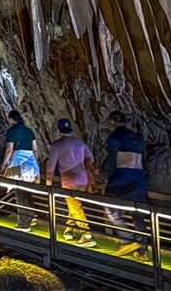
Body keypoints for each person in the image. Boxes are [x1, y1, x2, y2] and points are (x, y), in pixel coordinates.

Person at [103, 111, 150, 259]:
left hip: (122, 177)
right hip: (139, 178)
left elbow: (112, 159)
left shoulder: (115, 136)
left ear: (111, 122)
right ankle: (142, 249)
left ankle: (128, 239)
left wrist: (106, 174)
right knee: (137, 213)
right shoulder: (137, 138)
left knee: (110, 209)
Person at [45, 119, 97, 248]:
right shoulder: (80, 142)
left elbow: (51, 165)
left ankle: (87, 235)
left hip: (69, 180)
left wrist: (48, 181)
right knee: (74, 206)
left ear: (59, 130)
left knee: (74, 206)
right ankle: (68, 230)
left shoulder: (57, 145)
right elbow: (91, 159)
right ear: (71, 129)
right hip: (83, 178)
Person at [0, 110, 40, 231]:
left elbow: (9, 150)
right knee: (27, 192)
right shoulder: (29, 131)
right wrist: (35, 164)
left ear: (11, 119)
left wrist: (3, 165)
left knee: (19, 193)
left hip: (18, 163)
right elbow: (35, 149)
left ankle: (24, 224)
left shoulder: (12, 131)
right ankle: (31, 216)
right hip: (31, 163)